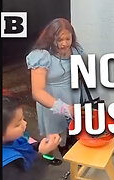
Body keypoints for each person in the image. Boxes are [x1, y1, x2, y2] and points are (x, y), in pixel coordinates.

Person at [26, 18, 87, 156]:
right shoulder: (41, 55)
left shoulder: (76, 50)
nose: (64, 43)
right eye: (59, 40)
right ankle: (50, 155)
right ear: (50, 38)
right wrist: (64, 108)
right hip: (51, 97)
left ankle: (67, 145)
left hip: (72, 93)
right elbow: (37, 92)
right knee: (53, 133)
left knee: (70, 125)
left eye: (68, 38)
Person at [2, 95, 61, 180]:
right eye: (18, 124)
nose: (25, 123)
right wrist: (43, 156)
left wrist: (39, 146)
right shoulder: (6, 165)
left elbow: (24, 148)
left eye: (23, 119)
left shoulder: (11, 139)